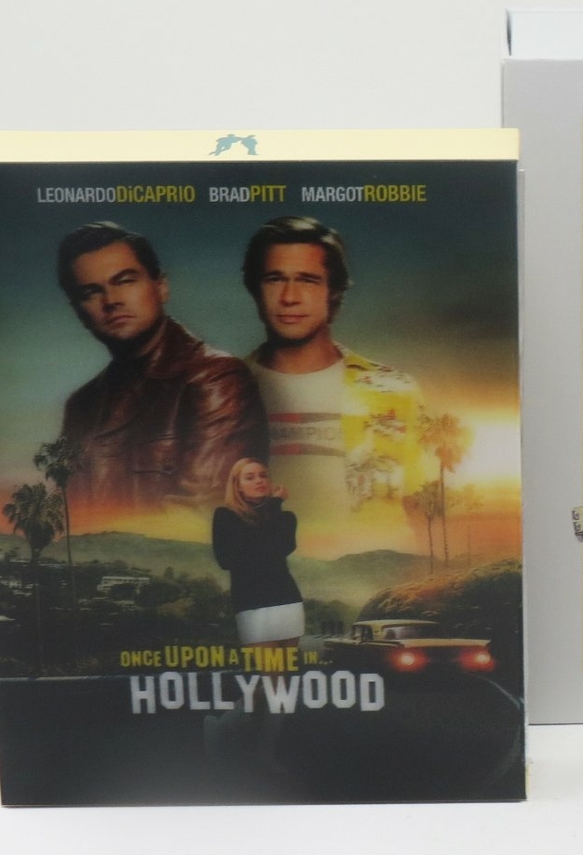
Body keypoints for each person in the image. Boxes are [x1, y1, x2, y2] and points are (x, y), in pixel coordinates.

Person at [56, 222, 267, 520]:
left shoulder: (215, 379)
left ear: (161, 287)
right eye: (91, 292)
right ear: (78, 311)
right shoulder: (81, 406)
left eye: (125, 281)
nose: (112, 301)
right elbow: (66, 520)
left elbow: (200, 515)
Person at [240, 215, 423, 531]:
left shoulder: (396, 392)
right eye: (274, 279)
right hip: (260, 558)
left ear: (334, 291)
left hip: (372, 559)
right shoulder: (221, 391)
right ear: (255, 289)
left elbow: (424, 509)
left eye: (308, 280)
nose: (289, 297)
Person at [211, 457, 304, 650]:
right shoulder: (225, 517)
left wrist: (274, 505)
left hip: (286, 600)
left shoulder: (285, 518)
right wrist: (260, 549)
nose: (259, 481)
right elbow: (226, 560)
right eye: (250, 477)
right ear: (237, 486)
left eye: (263, 476)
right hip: (250, 602)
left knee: (287, 667)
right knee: (269, 668)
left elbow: (279, 548)